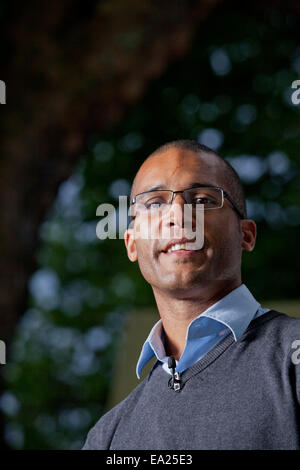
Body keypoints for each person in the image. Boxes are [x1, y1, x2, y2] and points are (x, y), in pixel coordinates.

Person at [82, 140, 300, 450]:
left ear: (246, 235)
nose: (180, 216)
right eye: (155, 203)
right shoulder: (108, 437)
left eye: (203, 199)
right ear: (131, 243)